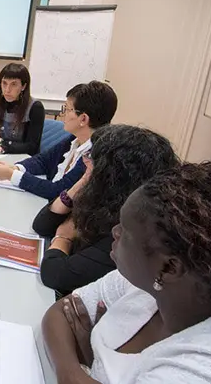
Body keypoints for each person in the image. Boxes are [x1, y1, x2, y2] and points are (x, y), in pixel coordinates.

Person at [42, 162, 211, 383]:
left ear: (169, 267)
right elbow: (60, 313)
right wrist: (75, 372)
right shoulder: (162, 281)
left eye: (125, 230)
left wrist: (91, 362)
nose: (114, 231)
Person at [37, 125, 178, 296]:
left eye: (92, 159)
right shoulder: (102, 198)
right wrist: (82, 182)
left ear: (112, 174)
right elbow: (42, 224)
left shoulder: (131, 227)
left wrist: (63, 239)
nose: (85, 161)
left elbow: (56, 274)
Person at [0, 81, 118, 199]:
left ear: (83, 119)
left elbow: (58, 191)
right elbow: (43, 160)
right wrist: (16, 167)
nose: (62, 114)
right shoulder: (75, 139)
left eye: (67, 109)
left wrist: (12, 175)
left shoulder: (93, 156)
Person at [0, 63, 44, 155]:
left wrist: (2, 148)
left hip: (25, 158)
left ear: (23, 86)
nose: (7, 90)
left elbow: (32, 146)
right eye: (4, 83)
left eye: (13, 84)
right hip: (5, 154)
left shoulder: (35, 107)